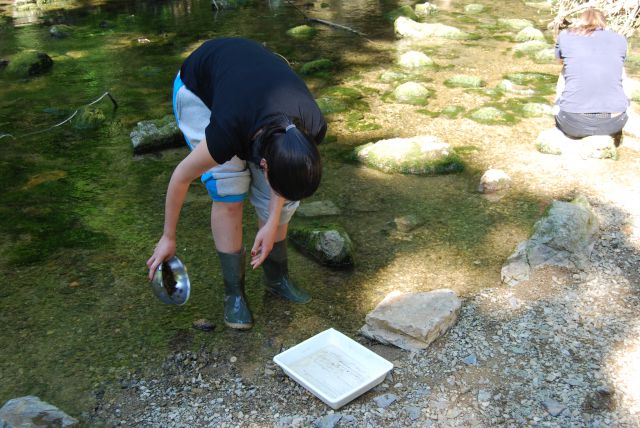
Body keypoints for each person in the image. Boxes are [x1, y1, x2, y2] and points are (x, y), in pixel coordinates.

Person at [147, 38, 327, 330]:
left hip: (251, 92)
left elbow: (285, 180)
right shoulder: (226, 132)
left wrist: (271, 222)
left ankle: (276, 278)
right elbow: (180, 177)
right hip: (199, 92)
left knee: (282, 205)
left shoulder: (311, 127)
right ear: (264, 164)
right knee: (229, 189)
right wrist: (169, 236)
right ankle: (234, 294)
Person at [554, 8, 629, 141]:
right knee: (619, 69)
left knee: (567, 68)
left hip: (572, 121)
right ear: (604, 24)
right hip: (613, 121)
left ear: (580, 22)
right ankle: (622, 104)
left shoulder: (565, 35)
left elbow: (560, 61)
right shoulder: (620, 39)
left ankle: (557, 105)